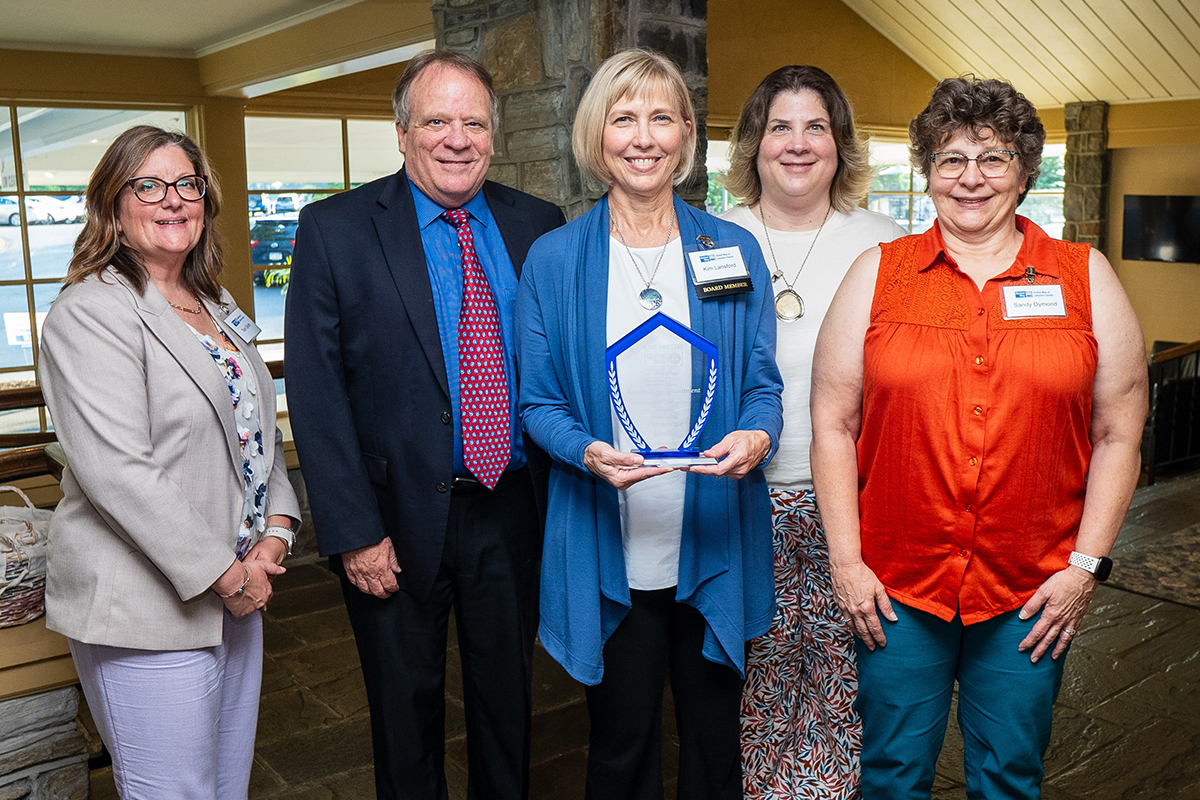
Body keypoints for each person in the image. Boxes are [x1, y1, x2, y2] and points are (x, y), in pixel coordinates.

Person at [810, 76, 1148, 800]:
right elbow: (833, 422)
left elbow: (1120, 432)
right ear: (927, 172)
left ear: (1025, 171)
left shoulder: (1086, 278)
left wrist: (1084, 568)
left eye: (992, 159)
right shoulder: (879, 274)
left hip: (1031, 592)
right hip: (897, 588)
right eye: (950, 158)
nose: (971, 178)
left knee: (1008, 780)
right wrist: (847, 563)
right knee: (892, 776)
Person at [285, 50, 565, 800]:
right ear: (403, 132)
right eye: (437, 120)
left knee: (508, 706)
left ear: (493, 135)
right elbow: (317, 395)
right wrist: (353, 531)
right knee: (405, 719)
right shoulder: (336, 228)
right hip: (393, 521)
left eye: (473, 122)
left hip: (511, 509)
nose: (457, 138)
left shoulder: (537, 225)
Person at [516, 48, 783, 800]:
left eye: (661, 117)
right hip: (612, 547)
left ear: (687, 133)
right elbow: (536, 402)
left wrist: (758, 436)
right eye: (623, 118)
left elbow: (763, 385)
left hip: (712, 540)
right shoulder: (555, 259)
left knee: (712, 749)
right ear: (597, 136)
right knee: (621, 750)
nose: (643, 137)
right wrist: (585, 451)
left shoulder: (729, 249)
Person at [38, 125, 301, 800]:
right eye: (148, 185)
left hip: (238, 591)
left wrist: (277, 528)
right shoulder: (91, 311)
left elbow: (254, 433)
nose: (173, 199)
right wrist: (225, 574)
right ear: (111, 205)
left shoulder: (212, 303)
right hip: (148, 603)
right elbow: (120, 469)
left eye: (187, 183)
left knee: (223, 787)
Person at [719, 65, 906, 799]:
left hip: (851, 501)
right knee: (751, 671)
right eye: (779, 127)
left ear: (841, 143)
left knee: (843, 666)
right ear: (754, 144)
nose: (797, 145)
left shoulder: (885, 244)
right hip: (735, 497)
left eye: (816, 127)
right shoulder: (713, 237)